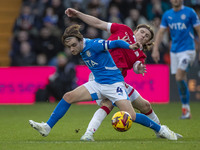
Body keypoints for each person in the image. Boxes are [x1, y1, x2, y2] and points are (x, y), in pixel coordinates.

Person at [29, 24, 179, 141]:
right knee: (68, 96)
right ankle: (47, 127)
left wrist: (129, 46)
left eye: (74, 45)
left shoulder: (94, 44)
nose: (72, 49)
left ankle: (161, 130)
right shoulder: (80, 48)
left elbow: (113, 44)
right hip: (98, 83)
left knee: (131, 116)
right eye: (69, 46)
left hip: (114, 85)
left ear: (81, 41)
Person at [65, 8, 182, 141]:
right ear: (135, 30)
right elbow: (99, 23)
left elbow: (137, 67)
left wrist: (139, 68)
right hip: (102, 77)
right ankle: (88, 133)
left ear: (147, 42)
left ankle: (160, 130)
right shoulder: (123, 29)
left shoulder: (140, 54)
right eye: (142, 32)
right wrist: (79, 14)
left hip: (117, 82)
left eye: (147, 36)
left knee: (145, 106)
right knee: (107, 104)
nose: (143, 35)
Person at [152, 0, 200, 119]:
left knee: (179, 76)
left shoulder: (190, 12)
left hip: (188, 50)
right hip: (174, 51)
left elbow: (198, 30)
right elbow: (161, 32)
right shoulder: (167, 14)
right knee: (181, 79)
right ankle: (186, 110)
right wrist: (155, 49)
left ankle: (186, 110)